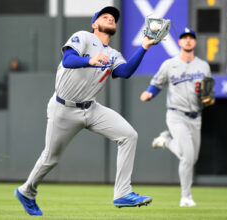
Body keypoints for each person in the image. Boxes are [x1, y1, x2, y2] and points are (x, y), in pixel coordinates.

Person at [15, 6, 158, 216]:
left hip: (91, 109)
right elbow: (68, 60)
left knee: (129, 136)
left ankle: (122, 193)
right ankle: (26, 191)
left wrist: (144, 46)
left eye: (113, 18)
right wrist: (89, 60)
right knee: (51, 158)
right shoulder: (82, 37)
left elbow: (125, 72)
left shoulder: (112, 54)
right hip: (64, 108)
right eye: (105, 17)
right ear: (94, 24)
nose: (111, 19)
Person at [140, 27, 214, 207]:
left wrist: (209, 100)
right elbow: (157, 84)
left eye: (191, 38)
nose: (188, 40)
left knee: (191, 158)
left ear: (195, 42)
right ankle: (186, 197)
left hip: (196, 117)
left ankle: (165, 141)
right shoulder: (169, 64)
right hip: (176, 114)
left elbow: (208, 95)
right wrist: (149, 93)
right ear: (180, 42)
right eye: (184, 38)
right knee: (187, 157)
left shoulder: (203, 66)